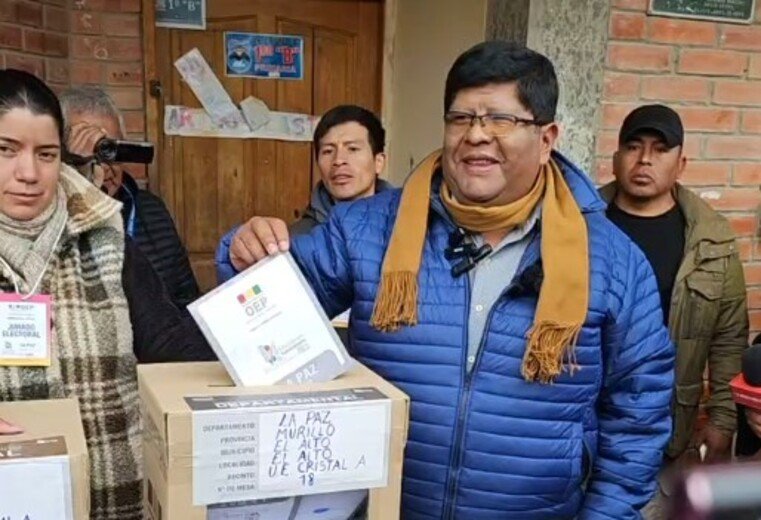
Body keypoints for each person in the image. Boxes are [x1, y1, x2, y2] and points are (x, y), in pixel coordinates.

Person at [216, 41, 674, 518]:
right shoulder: (366, 231)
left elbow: (638, 416)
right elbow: (264, 306)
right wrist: (245, 251)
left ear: (546, 138)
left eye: (501, 120)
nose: (476, 135)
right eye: (461, 118)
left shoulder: (613, 261)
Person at [0, 69, 215, 520]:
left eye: (46, 154)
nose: (28, 173)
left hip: (118, 498)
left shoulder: (108, 239)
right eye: (6, 150)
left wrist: (256, 311)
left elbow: (174, 346)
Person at [599, 105, 748, 517]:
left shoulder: (711, 241)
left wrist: (722, 421)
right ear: (616, 157)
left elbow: (728, 337)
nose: (644, 159)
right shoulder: (578, 224)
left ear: (681, 163)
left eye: (660, 149)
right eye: (633, 146)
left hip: (663, 435)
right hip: (581, 426)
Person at [216, 103, 393, 282]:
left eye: (352, 149)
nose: (339, 160)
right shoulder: (296, 240)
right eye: (328, 151)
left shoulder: (404, 228)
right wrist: (238, 256)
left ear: (378, 162)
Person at [59, 86, 200, 309]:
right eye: (89, 155)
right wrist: (80, 186)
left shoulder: (150, 210)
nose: (104, 169)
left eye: (110, 151)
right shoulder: (45, 219)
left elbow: (187, 299)